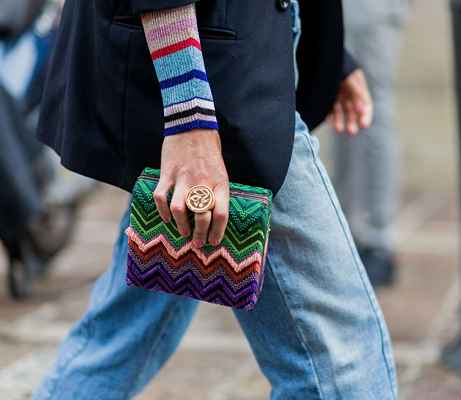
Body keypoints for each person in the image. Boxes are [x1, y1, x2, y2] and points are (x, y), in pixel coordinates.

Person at [33, 0, 398, 398]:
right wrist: (189, 115)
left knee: (129, 325)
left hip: (232, 56)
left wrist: (324, 51)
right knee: (340, 371)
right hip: (216, 87)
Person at [328, 0, 409, 287]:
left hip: (369, 8)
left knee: (370, 108)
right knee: (341, 106)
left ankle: (378, 241)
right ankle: (345, 231)